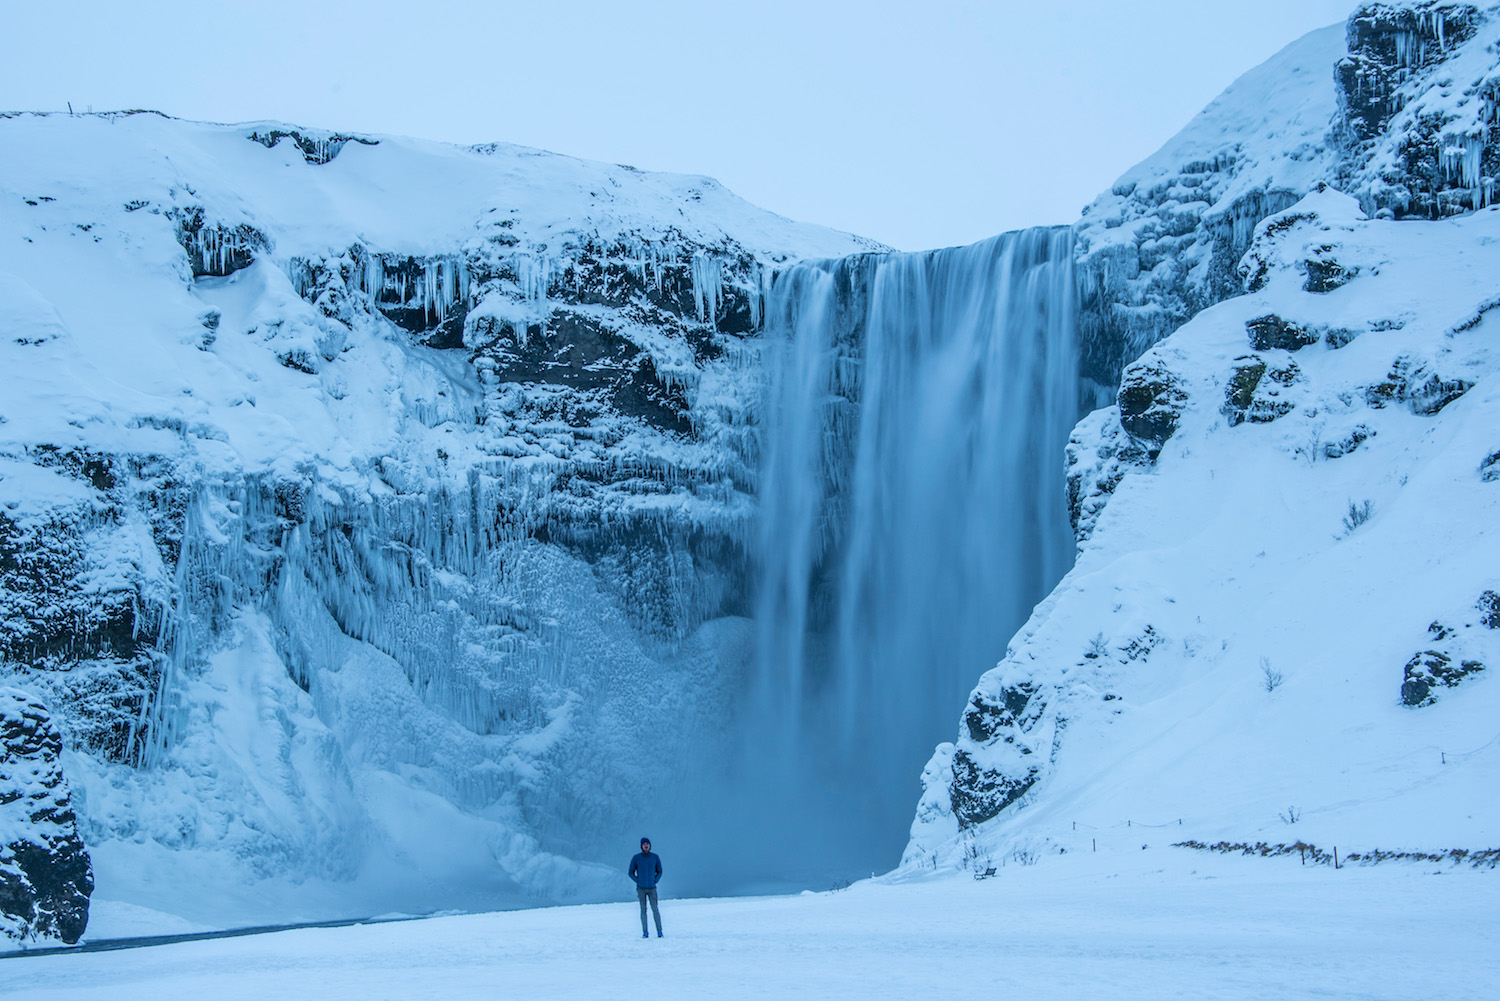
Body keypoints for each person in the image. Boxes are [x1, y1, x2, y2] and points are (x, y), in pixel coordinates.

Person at [628, 837, 663, 938]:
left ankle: (659, 931)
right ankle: (645, 932)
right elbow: (630, 872)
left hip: (652, 888)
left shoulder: (655, 857)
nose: (646, 845)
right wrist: (637, 880)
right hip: (641, 888)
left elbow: (660, 871)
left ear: (650, 846)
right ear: (641, 846)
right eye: (644, 844)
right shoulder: (636, 858)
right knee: (643, 909)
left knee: (655, 909)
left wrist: (655, 880)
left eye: (647, 844)